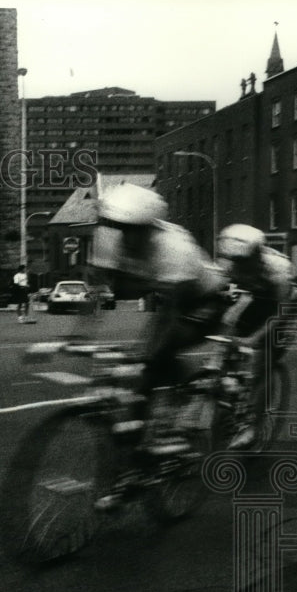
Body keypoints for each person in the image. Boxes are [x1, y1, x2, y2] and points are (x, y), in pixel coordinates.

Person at [90, 183, 230, 433]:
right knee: (149, 359)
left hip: (205, 300)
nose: (122, 237)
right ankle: (143, 430)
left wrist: (146, 356)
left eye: (130, 230)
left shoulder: (174, 247)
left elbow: (170, 315)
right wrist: (76, 338)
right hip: (170, 294)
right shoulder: (113, 240)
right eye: (116, 227)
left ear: (148, 228)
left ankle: (190, 399)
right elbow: (103, 293)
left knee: (156, 359)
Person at [216, 224, 294, 449]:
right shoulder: (231, 265)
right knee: (228, 341)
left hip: (279, 307)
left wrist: (255, 339)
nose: (237, 266)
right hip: (254, 299)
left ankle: (253, 427)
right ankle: (229, 398)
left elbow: (281, 312)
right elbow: (228, 302)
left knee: (263, 360)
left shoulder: (277, 270)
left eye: (243, 261)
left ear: (257, 255)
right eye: (234, 261)